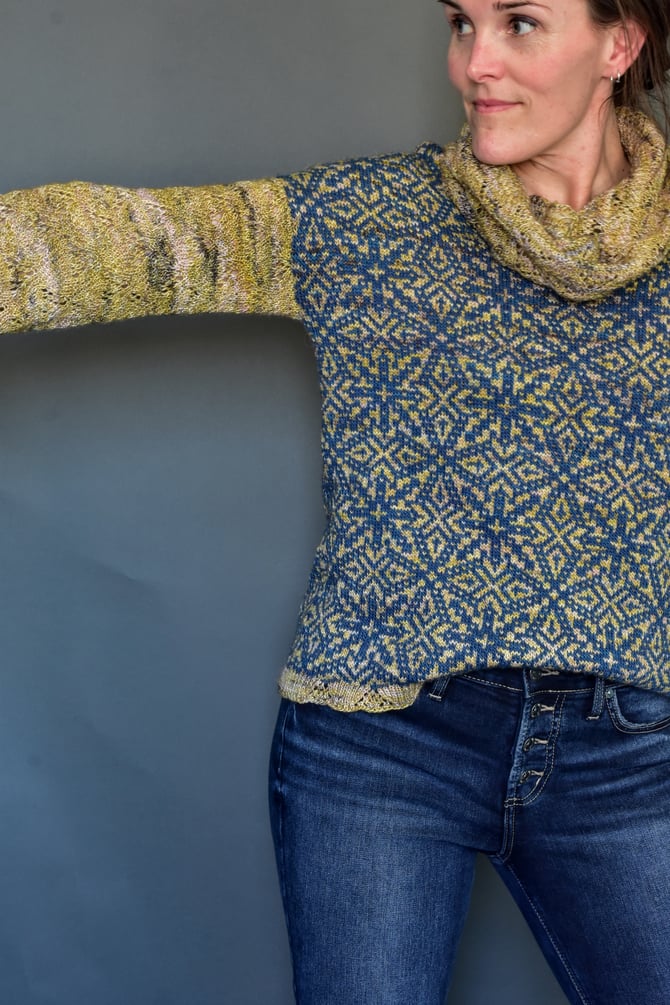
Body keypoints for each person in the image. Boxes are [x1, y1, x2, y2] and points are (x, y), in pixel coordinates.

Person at [0, 0, 668, 1001]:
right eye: (461, 23)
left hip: (635, 756)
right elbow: (114, 245)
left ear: (619, 44)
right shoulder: (365, 220)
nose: (474, 63)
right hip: (382, 746)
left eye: (520, 23)